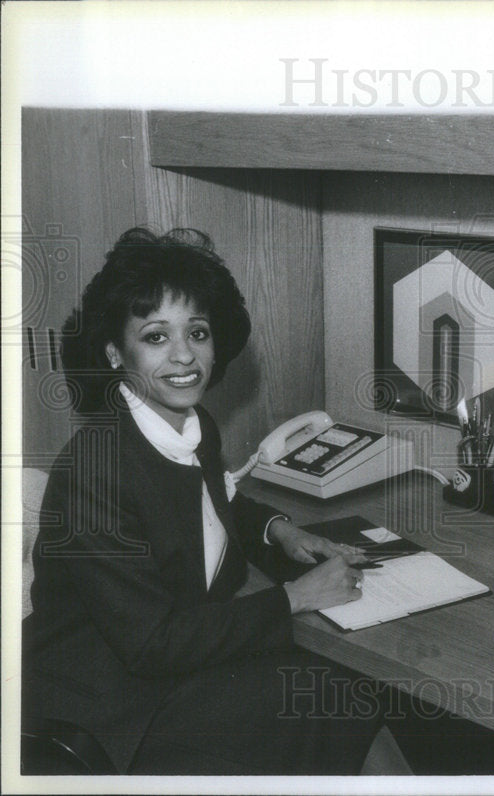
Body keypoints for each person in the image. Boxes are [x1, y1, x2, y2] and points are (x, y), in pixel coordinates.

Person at [22, 228, 408, 774]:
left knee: (336, 691)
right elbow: (152, 642)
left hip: (171, 670)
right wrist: (293, 597)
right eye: (156, 337)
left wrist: (279, 531)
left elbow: (204, 499)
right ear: (114, 352)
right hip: (105, 709)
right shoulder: (96, 466)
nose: (184, 356)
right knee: (322, 694)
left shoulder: (187, 424)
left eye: (197, 332)